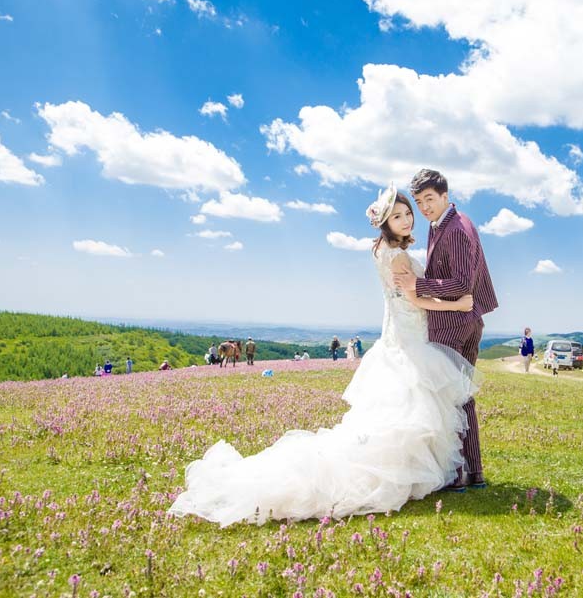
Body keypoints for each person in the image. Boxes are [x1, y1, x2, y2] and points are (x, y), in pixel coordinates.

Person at [169, 183, 477, 527]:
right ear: (384, 223)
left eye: (408, 214)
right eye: (398, 216)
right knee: (410, 410)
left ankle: (415, 469)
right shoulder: (400, 256)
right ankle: (405, 472)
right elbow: (415, 299)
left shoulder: (379, 251)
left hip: (398, 336)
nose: (407, 220)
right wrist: (459, 303)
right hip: (410, 337)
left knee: (399, 412)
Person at [393, 168, 498, 491]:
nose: (424, 208)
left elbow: (463, 284)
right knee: (461, 397)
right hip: (466, 321)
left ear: (445, 196)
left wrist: (417, 284)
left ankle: (456, 475)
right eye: (419, 201)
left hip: (455, 325)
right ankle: (472, 471)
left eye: (429, 199)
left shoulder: (457, 228)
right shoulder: (441, 223)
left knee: (445, 399)